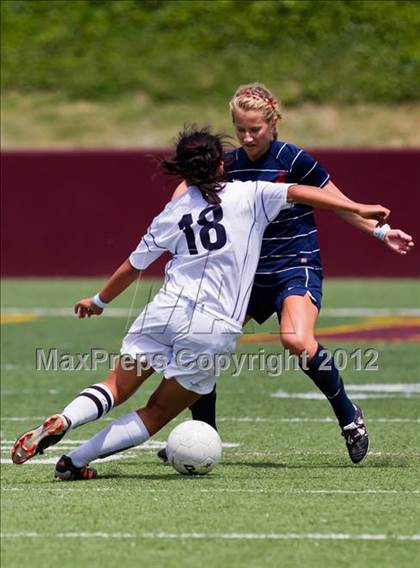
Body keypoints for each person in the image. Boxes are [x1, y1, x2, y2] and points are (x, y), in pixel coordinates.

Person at [10, 126, 390, 480]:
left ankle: (65, 418)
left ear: (184, 173)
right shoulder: (249, 193)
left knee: (113, 386)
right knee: (156, 411)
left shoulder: (174, 211)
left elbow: (132, 266)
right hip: (211, 327)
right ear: (223, 164)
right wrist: (359, 208)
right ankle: (75, 461)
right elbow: (298, 191)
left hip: (164, 311)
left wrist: (97, 300)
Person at [158, 83, 414, 465]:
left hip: (295, 265)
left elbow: (337, 204)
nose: (247, 137)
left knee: (296, 341)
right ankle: (203, 435)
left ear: (273, 123)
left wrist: (379, 232)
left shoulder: (294, 160)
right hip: (242, 274)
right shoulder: (228, 164)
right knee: (203, 344)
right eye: (240, 129)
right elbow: (187, 191)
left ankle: (349, 415)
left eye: (255, 130)